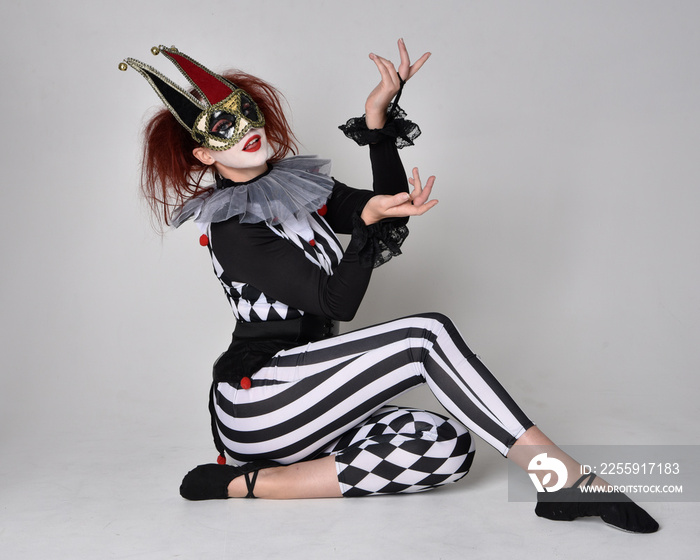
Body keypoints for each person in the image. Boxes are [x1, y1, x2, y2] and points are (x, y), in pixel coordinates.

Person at [121, 40, 659, 533]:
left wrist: (378, 124)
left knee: (451, 446)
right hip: (261, 401)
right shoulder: (234, 228)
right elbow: (338, 301)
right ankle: (560, 477)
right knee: (424, 336)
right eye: (222, 130)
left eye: (247, 113)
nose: (245, 128)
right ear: (205, 156)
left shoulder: (292, 187)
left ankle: (245, 485)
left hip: (317, 398)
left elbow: (387, 203)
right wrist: (367, 224)